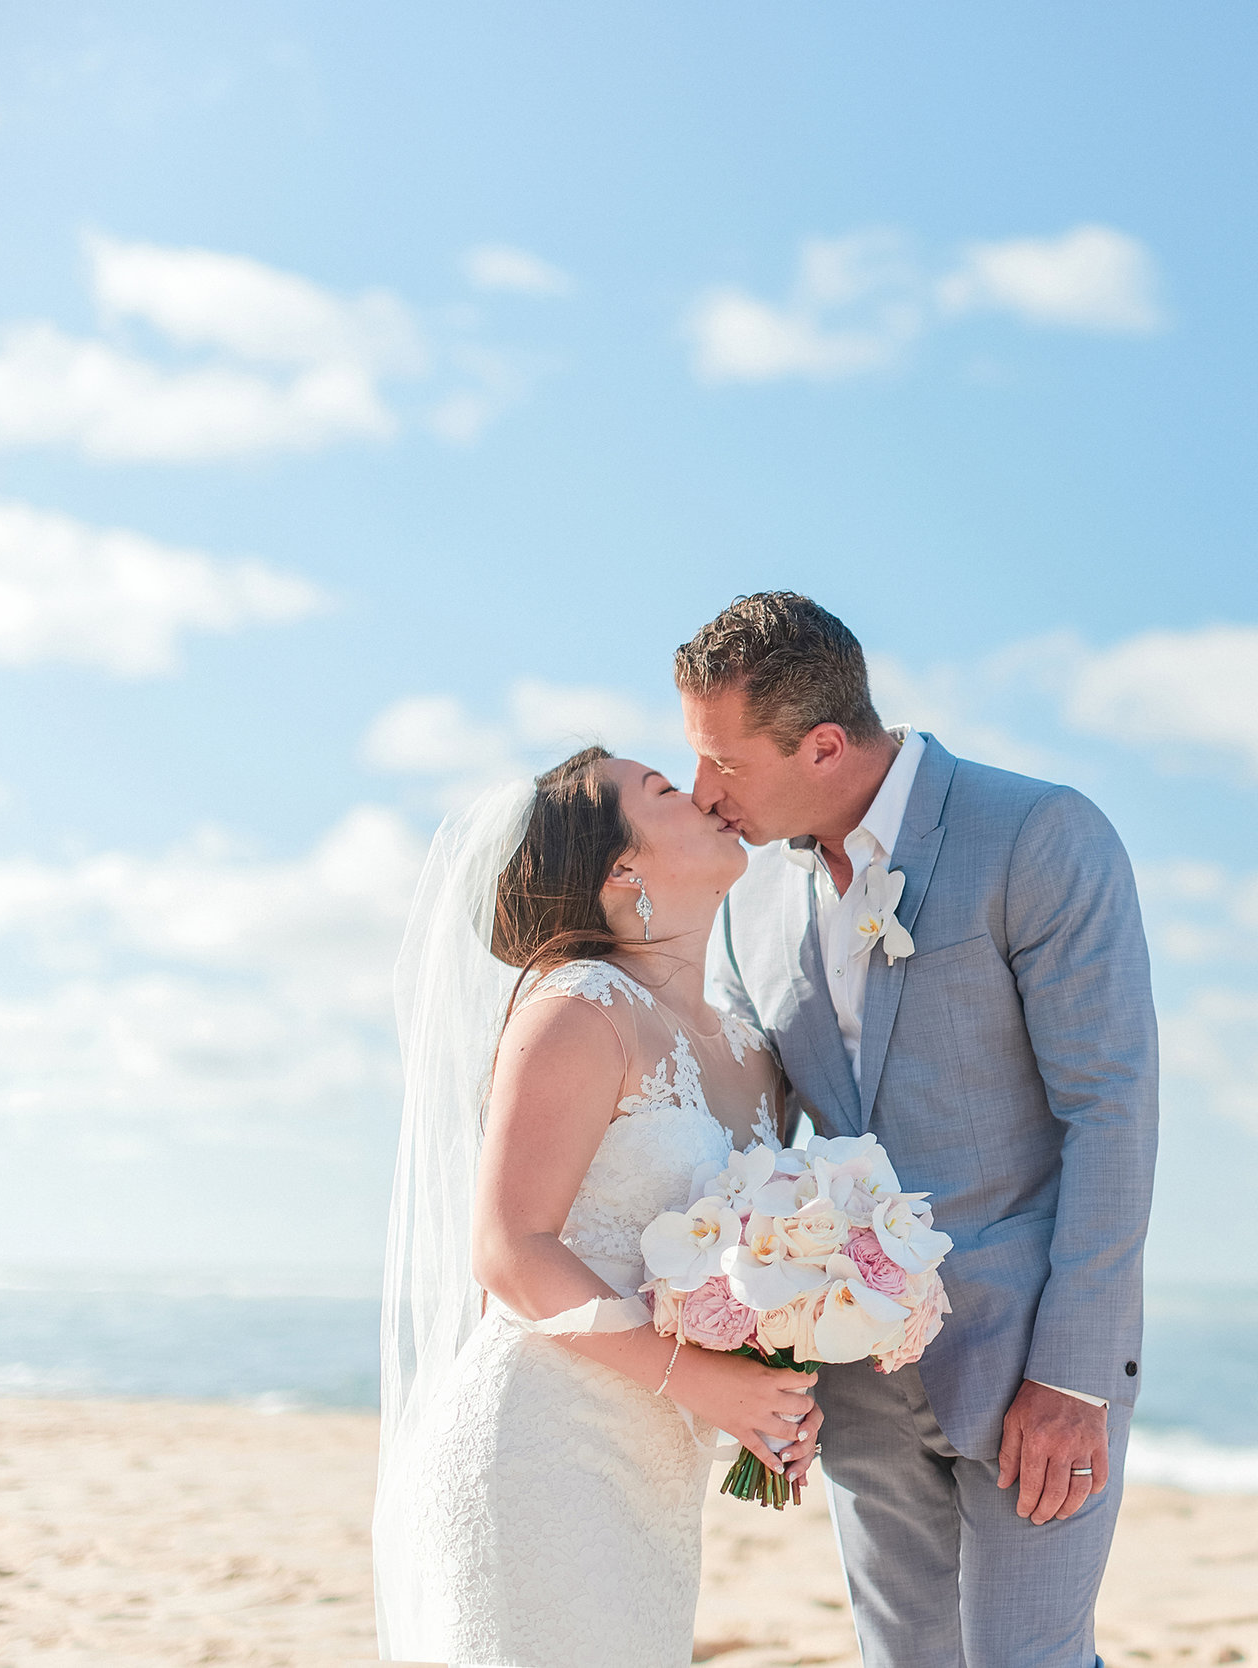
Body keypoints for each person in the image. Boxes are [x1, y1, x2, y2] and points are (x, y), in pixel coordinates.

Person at [683, 592, 1159, 1668]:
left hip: (1028, 1362)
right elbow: (744, 1147)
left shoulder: (1038, 836)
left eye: (724, 762)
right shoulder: (745, 907)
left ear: (822, 746)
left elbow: (1112, 1113)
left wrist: (1075, 1379)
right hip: (854, 1378)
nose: (704, 793)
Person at [371, 746, 825, 1668]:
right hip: (540, 1451)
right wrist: (699, 1381)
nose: (703, 793)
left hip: (658, 1478)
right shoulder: (577, 1011)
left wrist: (771, 1375)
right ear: (625, 872)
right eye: (663, 790)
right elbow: (508, 1250)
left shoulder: (753, 1051)